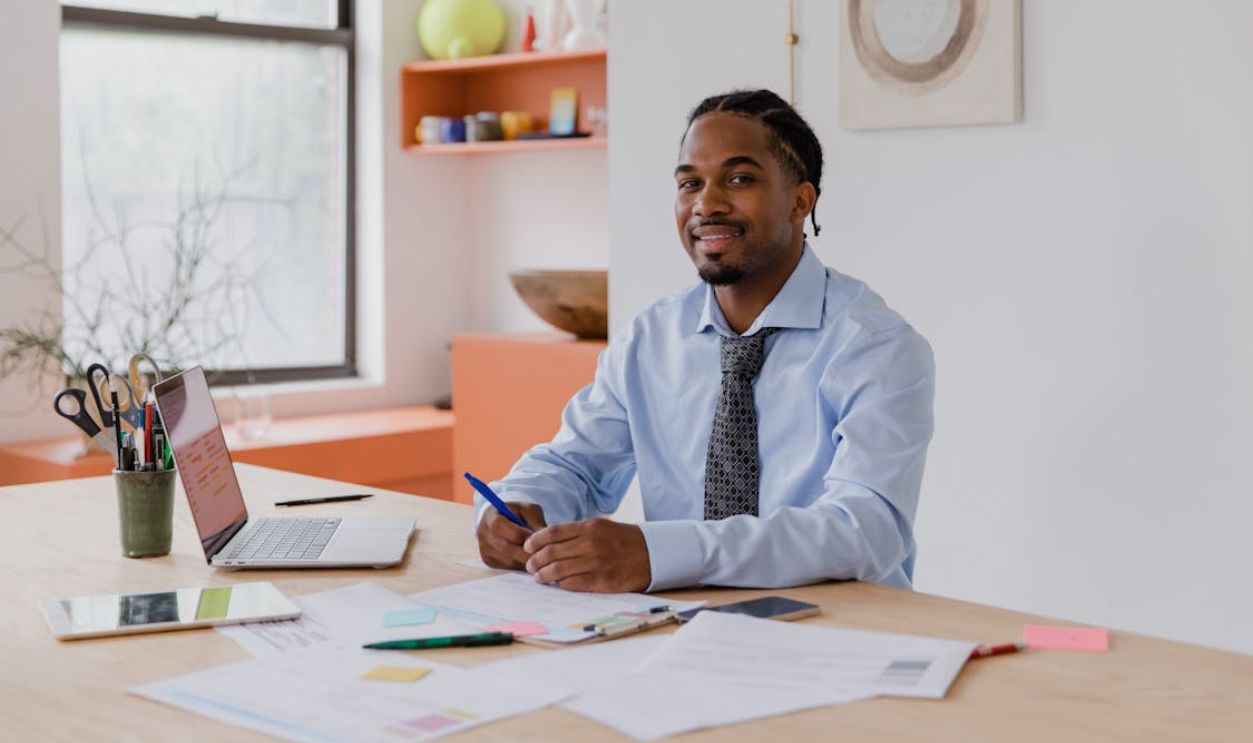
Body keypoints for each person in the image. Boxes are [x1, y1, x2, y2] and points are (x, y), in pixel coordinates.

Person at [475, 89, 935, 594]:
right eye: (690, 183)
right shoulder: (650, 339)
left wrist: (659, 553)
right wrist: (517, 505)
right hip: (680, 626)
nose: (706, 204)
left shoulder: (876, 346)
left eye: (739, 179)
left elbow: (865, 530)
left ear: (801, 201)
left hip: (840, 632)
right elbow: (573, 464)